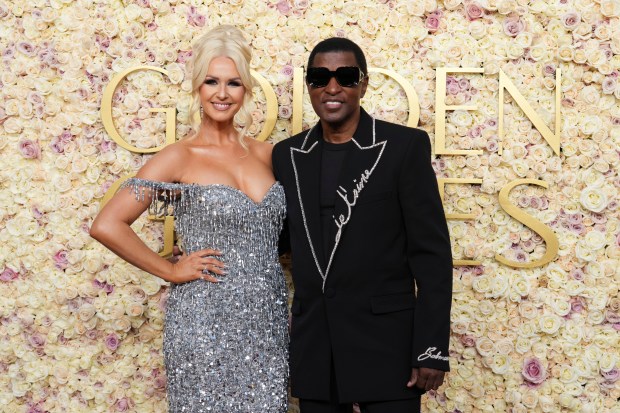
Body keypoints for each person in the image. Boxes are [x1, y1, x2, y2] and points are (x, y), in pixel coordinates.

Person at [90, 25, 289, 413]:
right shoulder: (178, 157)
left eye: (233, 83)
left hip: (266, 321)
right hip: (202, 320)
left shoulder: (270, 155)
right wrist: (171, 271)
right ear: (197, 88)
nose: (222, 93)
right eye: (211, 81)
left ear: (245, 89)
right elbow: (108, 224)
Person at [271, 38, 453, 413]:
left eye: (346, 77)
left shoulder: (403, 146)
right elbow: (282, 237)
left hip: (389, 348)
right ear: (309, 86)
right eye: (320, 78)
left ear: (364, 84)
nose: (332, 88)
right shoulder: (288, 155)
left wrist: (431, 349)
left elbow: (431, 255)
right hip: (317, 349)